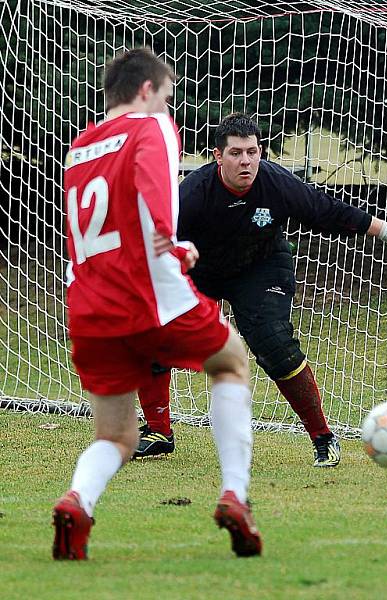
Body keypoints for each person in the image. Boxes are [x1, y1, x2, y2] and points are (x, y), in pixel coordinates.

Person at [133, 113, 387, 466]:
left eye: (252, 152)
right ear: (218, 157)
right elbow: (157, 241)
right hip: (199, 271)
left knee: (273, 341)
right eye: (235, 153)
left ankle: (323, 437)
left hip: (260, 267)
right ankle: (158, 432)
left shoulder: (277, 184)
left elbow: (328, 211)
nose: (245, 161)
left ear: (261, 152)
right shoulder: (191, 195)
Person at [53, 48, 262, 560]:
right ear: (147, 91)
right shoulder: (152, 126)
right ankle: (235, 494)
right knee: (231, 361)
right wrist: (175, 240)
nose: (170, 108)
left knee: (117, 434)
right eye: (167, 96)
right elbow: (154, 187)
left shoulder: (78, 148)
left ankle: (78, 501)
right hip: (147, 293)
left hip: (88, 305)